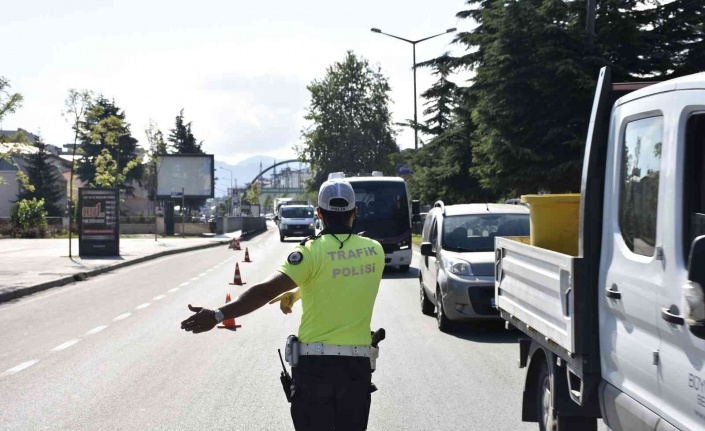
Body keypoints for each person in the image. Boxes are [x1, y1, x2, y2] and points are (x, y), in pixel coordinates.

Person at [180, 178, 385, 431]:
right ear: (355, 212)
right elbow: (343, 274)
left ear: (319, 213)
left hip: (315, 370)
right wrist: (299, 293)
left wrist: (219, 314)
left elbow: (265, 291)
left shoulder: (310, 253)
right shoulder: (375, 251)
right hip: (356, 369)